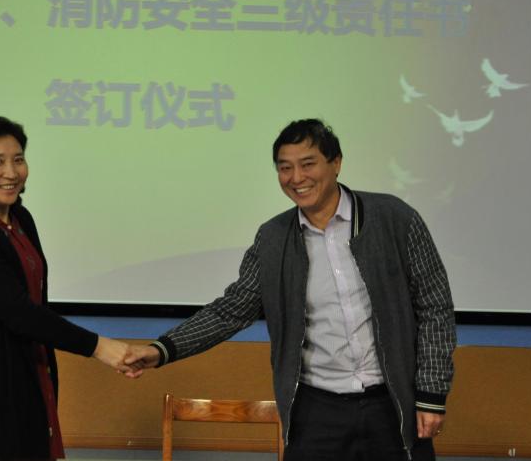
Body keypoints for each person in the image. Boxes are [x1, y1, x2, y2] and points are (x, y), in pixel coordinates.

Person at [123, 119, 456, 461]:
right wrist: (162, 349)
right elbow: (231, 310)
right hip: (315, 410)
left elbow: (435, 306)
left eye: (308, 164)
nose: (296, 178)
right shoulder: (273, 238)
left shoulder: (394, 218)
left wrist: (431, 394)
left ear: (336, 163)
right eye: (285, 168)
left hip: (393, 402)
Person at [0, 116, 130, 460]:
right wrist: (99, 347)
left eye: (18, 159)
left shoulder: (21, 219)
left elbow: (37, 303)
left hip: (32, 378)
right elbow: (18, 311)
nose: (11, 172)